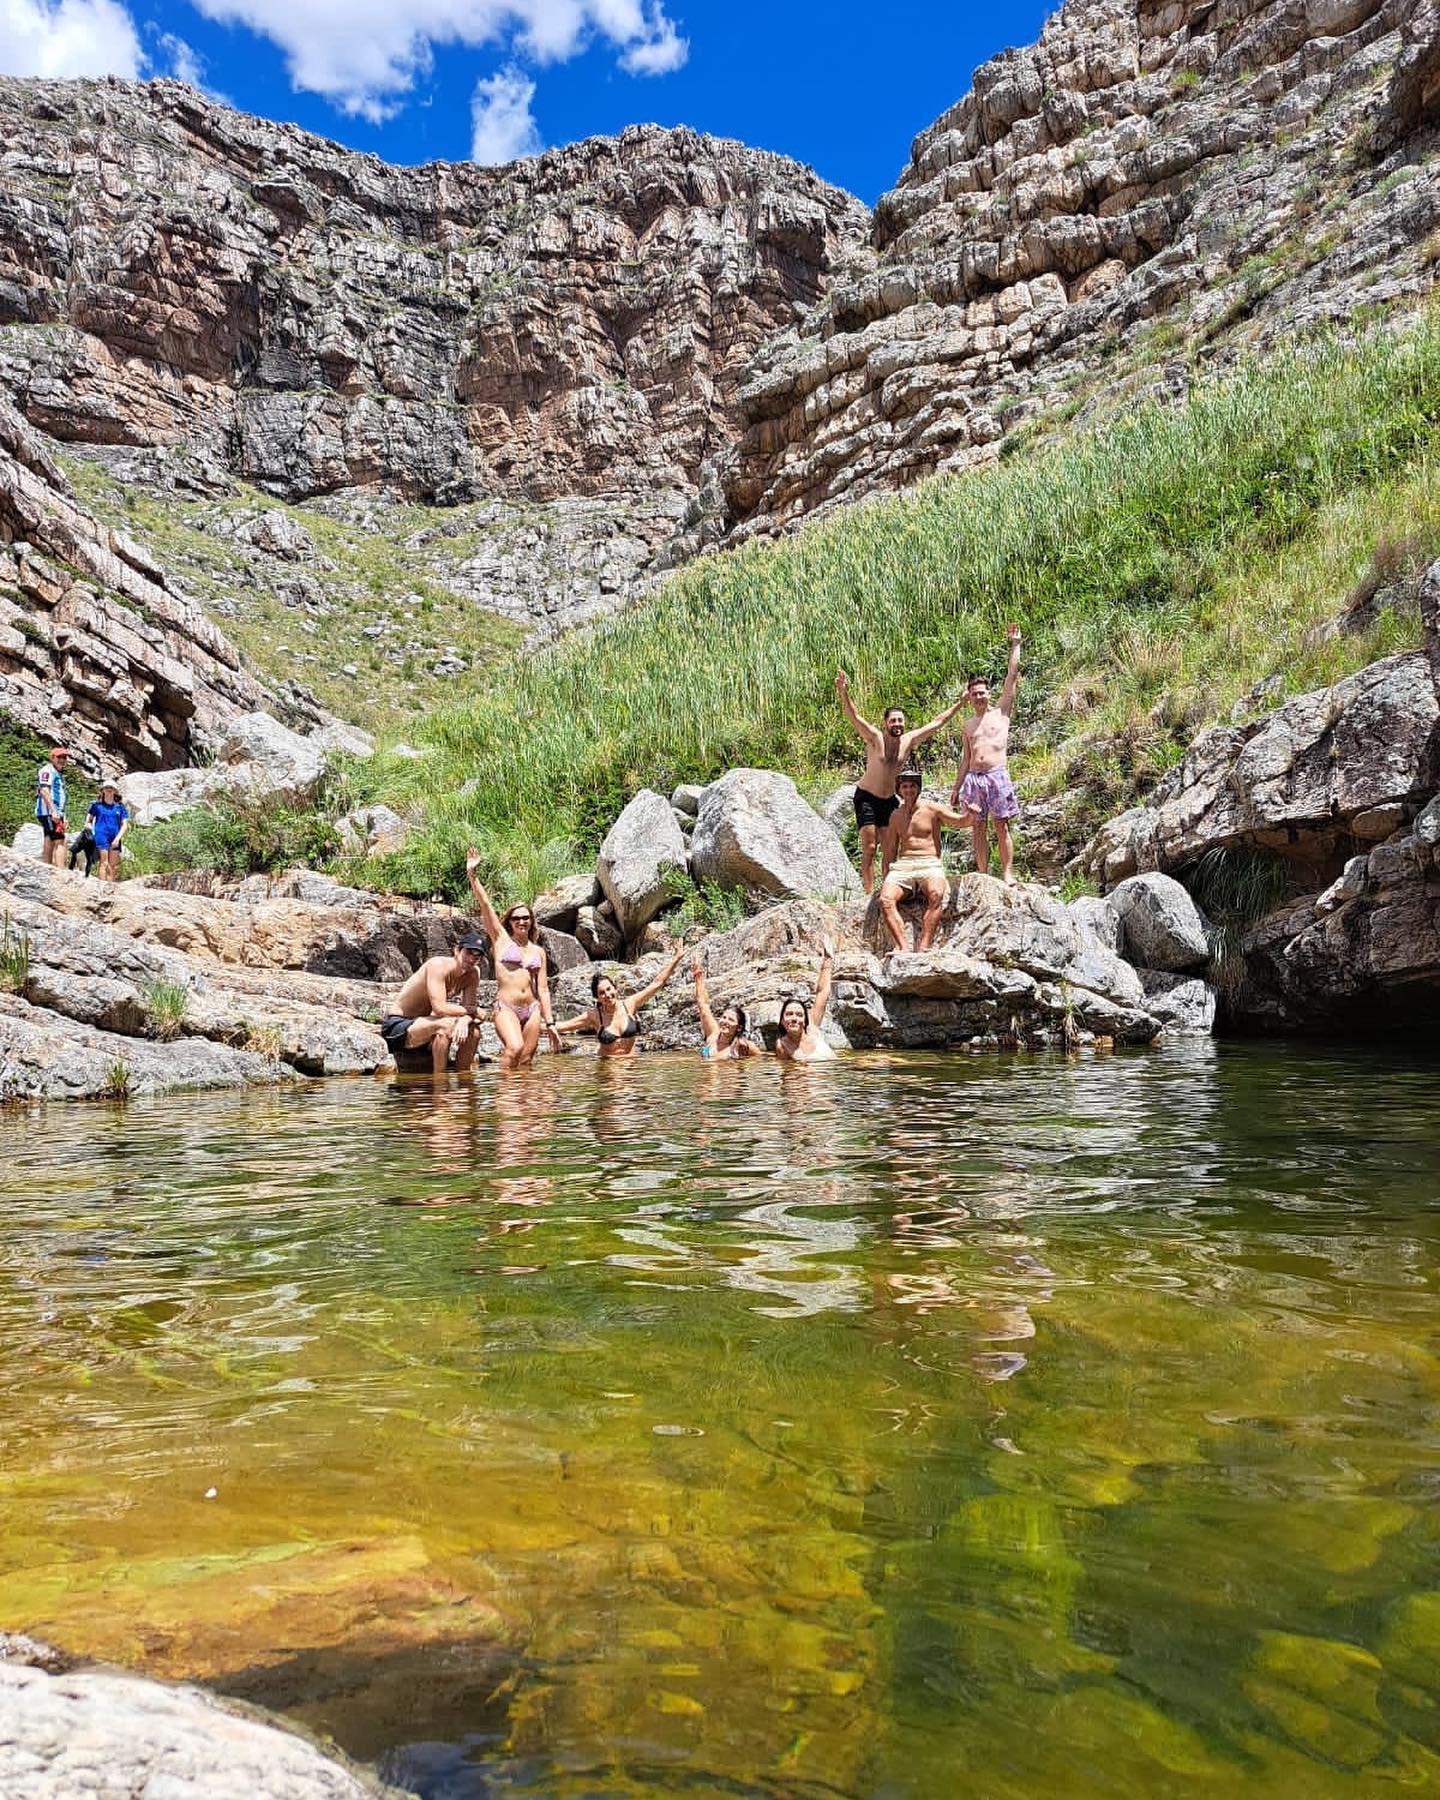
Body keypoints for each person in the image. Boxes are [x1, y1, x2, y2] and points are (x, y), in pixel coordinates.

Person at [835, 671, 967, 894]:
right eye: (893, 720)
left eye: (900, 720)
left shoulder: (909, 741)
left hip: (889, 801)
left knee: (889, 848)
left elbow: (938, 722)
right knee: (869, 846)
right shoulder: (875, 738)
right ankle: (868, 893)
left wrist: (960, 703)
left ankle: (887, 889)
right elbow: (854, 717)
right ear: (885, 723)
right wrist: (843, 691)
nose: (897, 724)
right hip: (866, 796)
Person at [465, 850, 561, 1070]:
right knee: (514, 1048)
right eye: (516, 918)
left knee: (527, 1060)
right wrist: (473, 875)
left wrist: (551, 1022)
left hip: (532, 1008)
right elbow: (486, 906)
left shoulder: (538, 951)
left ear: (531, 921)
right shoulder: (501, 940)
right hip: (506, 1007)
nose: (521, 921)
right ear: (509, 922)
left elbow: (543, 989)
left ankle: (524, 1102)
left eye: (526, 917)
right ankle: (506, 1100)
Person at [951, 624, 1023, 885]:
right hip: (973, 779)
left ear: (988, 694)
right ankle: (982, 874)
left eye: (982, 692)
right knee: (977, 826)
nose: (979, 697)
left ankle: (1007, 873)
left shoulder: (1001, 712)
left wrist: (1015, 645)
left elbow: (1012, 677)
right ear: (969, 698)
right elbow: (966, 759)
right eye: (974, 694)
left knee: (1001, 825)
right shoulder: (968, 724)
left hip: (996, 775)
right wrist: (957, 787)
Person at [878, 769, 976, 952]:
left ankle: (924, 945)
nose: (908, 790)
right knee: (885, 899)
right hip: (904, 865)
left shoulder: (932, 809)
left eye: (912, 786)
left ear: (918, 788)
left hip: (929, 862)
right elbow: (890, 850)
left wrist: (970, 815)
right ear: (899, 790)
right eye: (904, 786)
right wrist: (886, 877)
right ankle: (902, 947)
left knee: (936, 895)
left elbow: (960, 822)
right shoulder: (895, 815)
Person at [378, 931, 487, 1074]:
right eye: (468, 952)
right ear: (457, 950)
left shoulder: (473, 973)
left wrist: (464, 1021)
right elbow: (440, 1008)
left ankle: (465, 1080)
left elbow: (470, 1009)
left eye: (477, 956)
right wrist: (473, 1011)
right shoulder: (438, 965)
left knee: (474, 1032)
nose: (472, 959)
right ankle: (440, 1083)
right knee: (445, 1025)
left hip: (426, 1025)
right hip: (398, 1026)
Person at [556, 945, 686, 1058]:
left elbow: (656, 984)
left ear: (615, 988)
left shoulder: (630, 1004)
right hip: (607, 1067)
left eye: (609, 989)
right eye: (602, 993)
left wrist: (676, 959)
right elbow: (562, 1026)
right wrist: (537, 1023)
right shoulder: (594, 1015)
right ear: (597, 998)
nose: (607, 995)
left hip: (631, 1066)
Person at [774, 941, 839, 1062]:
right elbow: (787, 1074)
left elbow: (822, 992)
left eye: (799, 1015)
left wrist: (828, 960)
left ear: (805, 1020)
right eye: (789, 1014)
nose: (794, 1018)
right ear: (782, 1021)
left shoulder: (812, 1027)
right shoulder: (782, 1045)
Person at [691, 958, 762, 1059]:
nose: (725, 1021)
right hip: (704, 1074)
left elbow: (761, 1059)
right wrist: (698, 976)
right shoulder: (713, 1034)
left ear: (739, 1027)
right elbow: (703, 1005)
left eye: (731, 1020)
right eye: (724, 1017)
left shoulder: (743, 1045)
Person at [85, 781, 129, 882]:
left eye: (112, 788)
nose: (109, 789)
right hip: (101, 836)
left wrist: (117, 838)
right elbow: (88, 820)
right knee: (103, 863)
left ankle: (110, 888)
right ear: (103, 790)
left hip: (115, 837)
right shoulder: (96, 805)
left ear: (115, 791)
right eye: (107, 787)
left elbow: (124, 825)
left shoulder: (120, 807)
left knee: (113, 865)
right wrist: (90, 830)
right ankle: (101, 888)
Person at [35, 744, 69, 867]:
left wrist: (63, 815)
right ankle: (60, 872)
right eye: (59, 757)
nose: (62, 760)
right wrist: (53, 811)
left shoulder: (57, 773)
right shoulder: (47, 770)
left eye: (64, 757)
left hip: (54, 812)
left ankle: (47, 867)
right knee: (60, 840)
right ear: (52, 757)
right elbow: (44, 790)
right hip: (49, 811)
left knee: (49, 838)